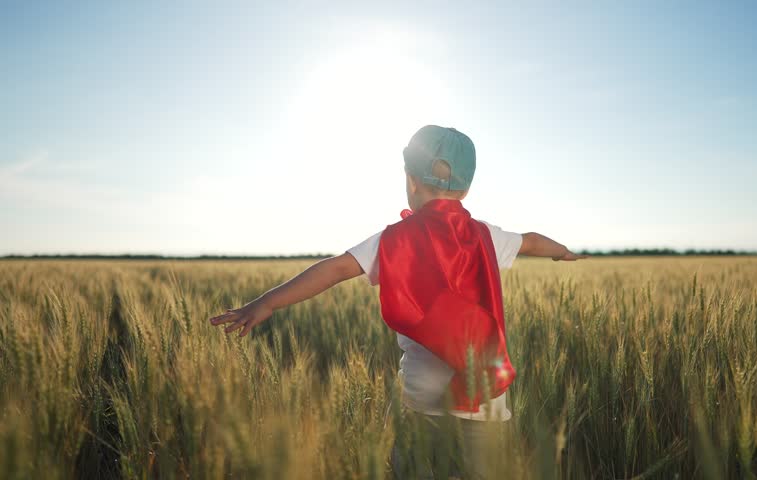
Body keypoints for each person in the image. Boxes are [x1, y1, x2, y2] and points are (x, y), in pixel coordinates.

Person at [209, 125, 588, 479]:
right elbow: (533, 240)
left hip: (421, 405)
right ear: (466, 190)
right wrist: (563, 252)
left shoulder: (393, 238)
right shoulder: (488, 236)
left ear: (410, 180)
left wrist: (268, 302)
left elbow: (334, 269)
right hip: (486, 402)